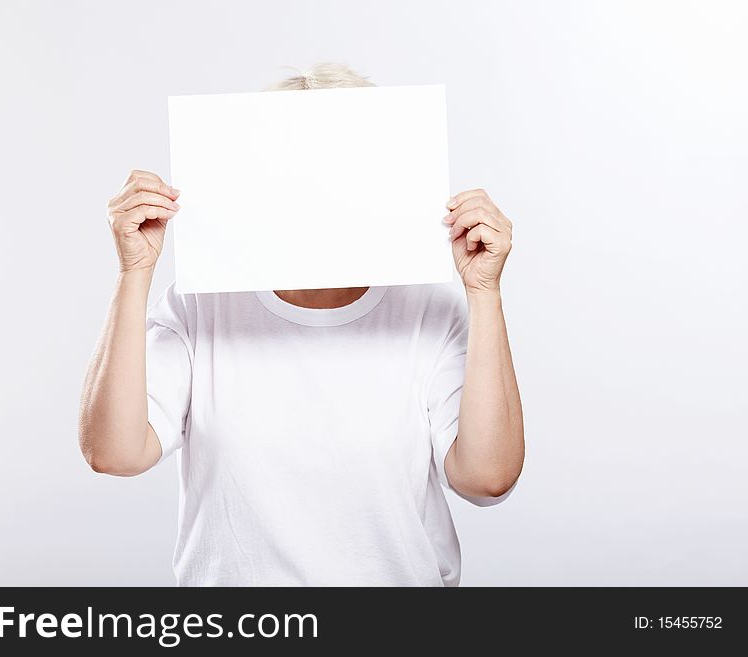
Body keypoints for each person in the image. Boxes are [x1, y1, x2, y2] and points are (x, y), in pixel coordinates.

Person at [78, 63, 524, 586]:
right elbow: (114, 453)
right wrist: (135, 271)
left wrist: (484, 292)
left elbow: (487, 477)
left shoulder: (430, 312)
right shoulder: (201, 308)